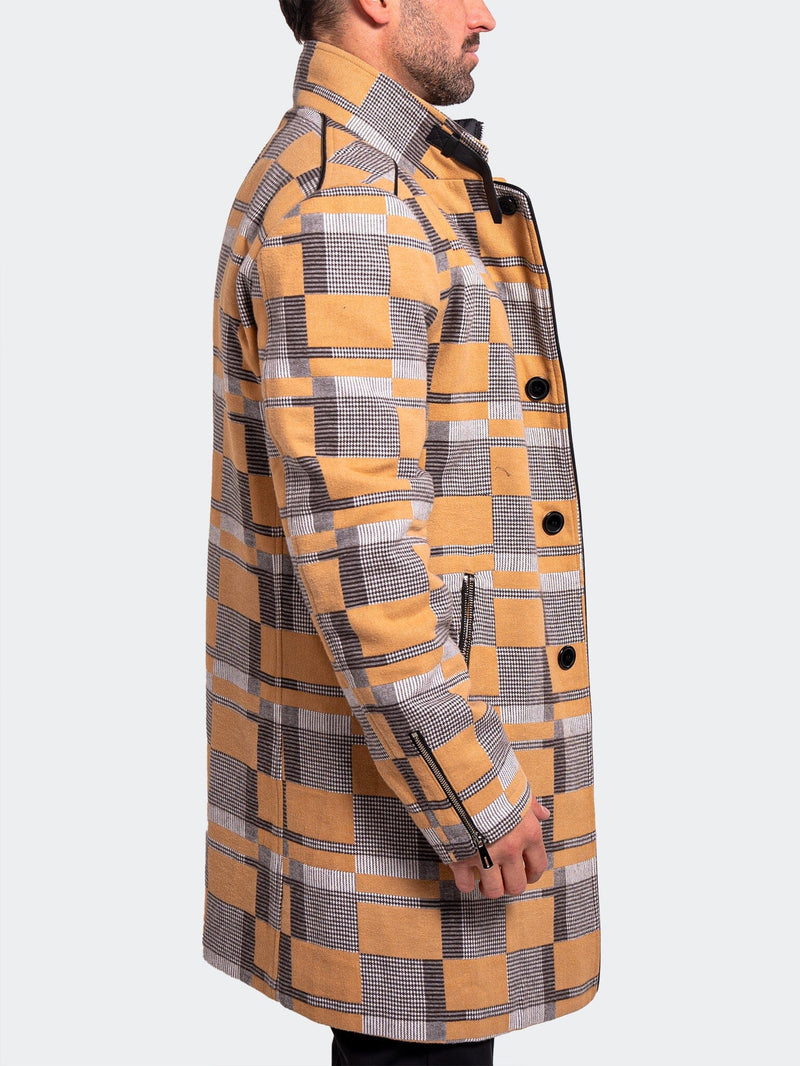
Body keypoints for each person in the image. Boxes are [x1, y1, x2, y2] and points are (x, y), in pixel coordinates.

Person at [202, 2, 600, 1063]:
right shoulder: (351, 203)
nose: (487, 15)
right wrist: (472, 790)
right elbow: (359, 553)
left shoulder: (376, 180)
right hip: (416, 815)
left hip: (398, 794)